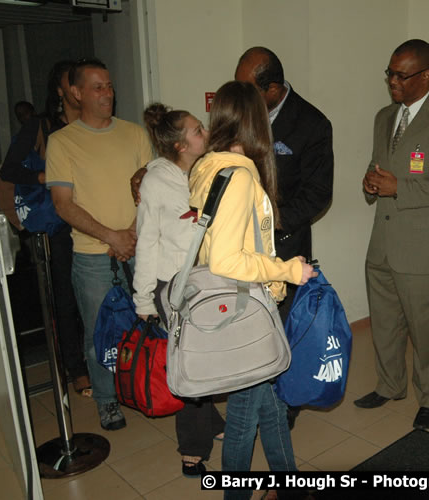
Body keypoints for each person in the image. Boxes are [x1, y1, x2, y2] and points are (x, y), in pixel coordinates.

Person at [188, 80, 316, 500]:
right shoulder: (240, 178)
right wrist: (288, 270)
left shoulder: (207, 166)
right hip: (246, 309)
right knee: (245, 416)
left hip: (236, 306)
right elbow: (228, 258)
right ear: (255, 121)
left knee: (272, 406)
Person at [356, 39, 429, 431]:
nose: (393, 82)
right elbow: (380, 169)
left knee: (428, 332)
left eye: (401, 75)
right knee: (385, 324)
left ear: (426, 75)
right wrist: (371, 184)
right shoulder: (383, 117)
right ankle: (390, 385)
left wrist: (398, 188)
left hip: (425, 250)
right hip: (382, 245)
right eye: (390, 73)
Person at [46, 58, 153, 431]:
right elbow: (63, 204)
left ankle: (145, 386)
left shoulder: (135, 134)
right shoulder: (62, 142)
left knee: (147, 324)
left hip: (139, 251)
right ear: (76, 93)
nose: (106, 93)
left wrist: (131, 235)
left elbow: (151, 192)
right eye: (97, 87)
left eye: (108, 85)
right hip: (93, 258)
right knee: (100, 336)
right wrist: (112, 237)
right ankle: (107, 400)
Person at [234, 46, 334, 429]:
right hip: (239, 248)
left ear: (272, 89)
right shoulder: (241, 114)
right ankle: (250, 396)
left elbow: (318, 194)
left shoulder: (311, 124)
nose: (240, 96)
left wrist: (269, 220)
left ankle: (283, 405)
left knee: (281, 330)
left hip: (284, 247)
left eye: (248, 89)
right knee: (246, 328)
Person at [133, 103, 225, 478]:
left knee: (203, 359)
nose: (205, 133)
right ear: (179, 146)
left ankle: (211, 422)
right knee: (190, 366)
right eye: (197, 130)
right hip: (170, 287)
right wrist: (142, 300)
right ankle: (192, 454)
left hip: (200, 282)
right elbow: (146, 241)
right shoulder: (156, 182)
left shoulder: (203, 172)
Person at [0, 60, 90, 397]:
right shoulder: (42, 126)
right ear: (60, 90)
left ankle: (103, 359)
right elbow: (9, 169)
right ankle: (76, 368)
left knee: (97, 295)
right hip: (59, 225)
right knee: (65, 298)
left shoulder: (98, 125)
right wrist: (45, 177)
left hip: (95, 221)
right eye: (74, 82)